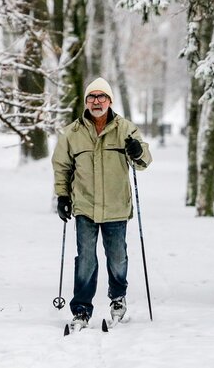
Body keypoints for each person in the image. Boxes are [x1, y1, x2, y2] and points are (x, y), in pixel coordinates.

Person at [52, 77, 152, 330]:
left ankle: (117, 299)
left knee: (117, 258)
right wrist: (62, 197)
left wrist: (137, 151)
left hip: (117, 206)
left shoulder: (125, 129)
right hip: (85, 205)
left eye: (102, 97)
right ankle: (81, 310)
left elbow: (144, 161)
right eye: (92, 97)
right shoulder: (72, 133)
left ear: (110, 101)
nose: (97, 101)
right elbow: (61, 168)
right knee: (86, 259)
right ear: (86, 101)